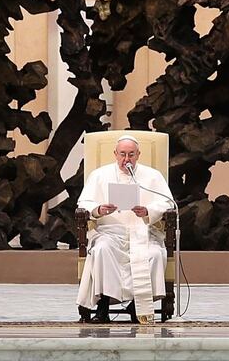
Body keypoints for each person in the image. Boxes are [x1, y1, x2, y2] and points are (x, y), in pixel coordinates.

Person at [76, 135, 174, 323]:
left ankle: (138, 306)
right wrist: (99, 209)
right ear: (115, 154)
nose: (126, 159)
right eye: (122, 154)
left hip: (143, 232)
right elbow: (84, 203)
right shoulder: (99, 175)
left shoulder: (152, 176)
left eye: (131, 154)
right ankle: (102, 307)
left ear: (138, 155)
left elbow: (167, 203)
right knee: (102, 250)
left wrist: (148, 211)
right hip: (110, 232)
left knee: (154, 254)